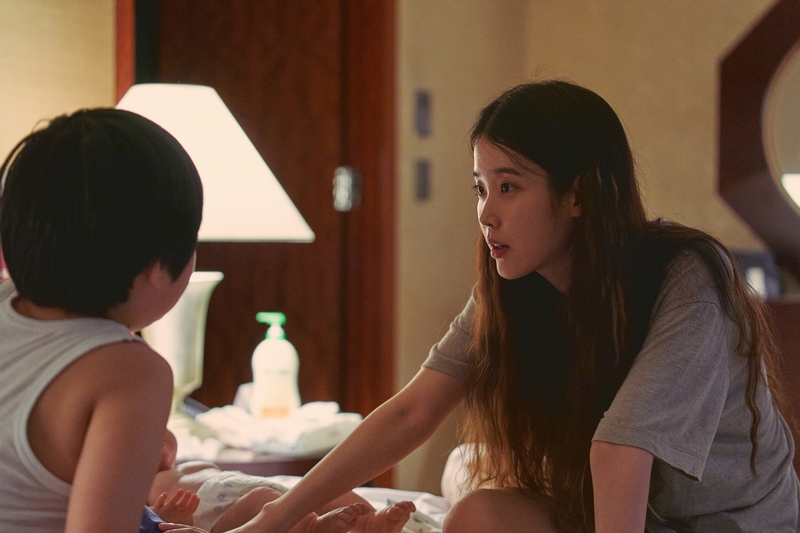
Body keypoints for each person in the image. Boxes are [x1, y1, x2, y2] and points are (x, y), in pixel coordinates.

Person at [167, 79, 798, 533]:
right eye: (480, 187)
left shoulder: (689, 277)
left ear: (578, 195)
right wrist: (276, 519)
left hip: (731, 523)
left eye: (509, 187)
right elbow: (411, 411)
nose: (486, 213)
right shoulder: (513, 283)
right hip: (620, 512)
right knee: (471, 494)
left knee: (475, 488)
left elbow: (618, 452)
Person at [148, 430, 414, 533]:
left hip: (249, 490)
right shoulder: (135, 485)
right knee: (264, 500)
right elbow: (137, 521)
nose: (156, 431)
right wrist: (163, 517)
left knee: (322, 487)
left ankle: (369, 522)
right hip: (217, 518)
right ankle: (312, 528)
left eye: (159, 424)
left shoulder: (189, 463)